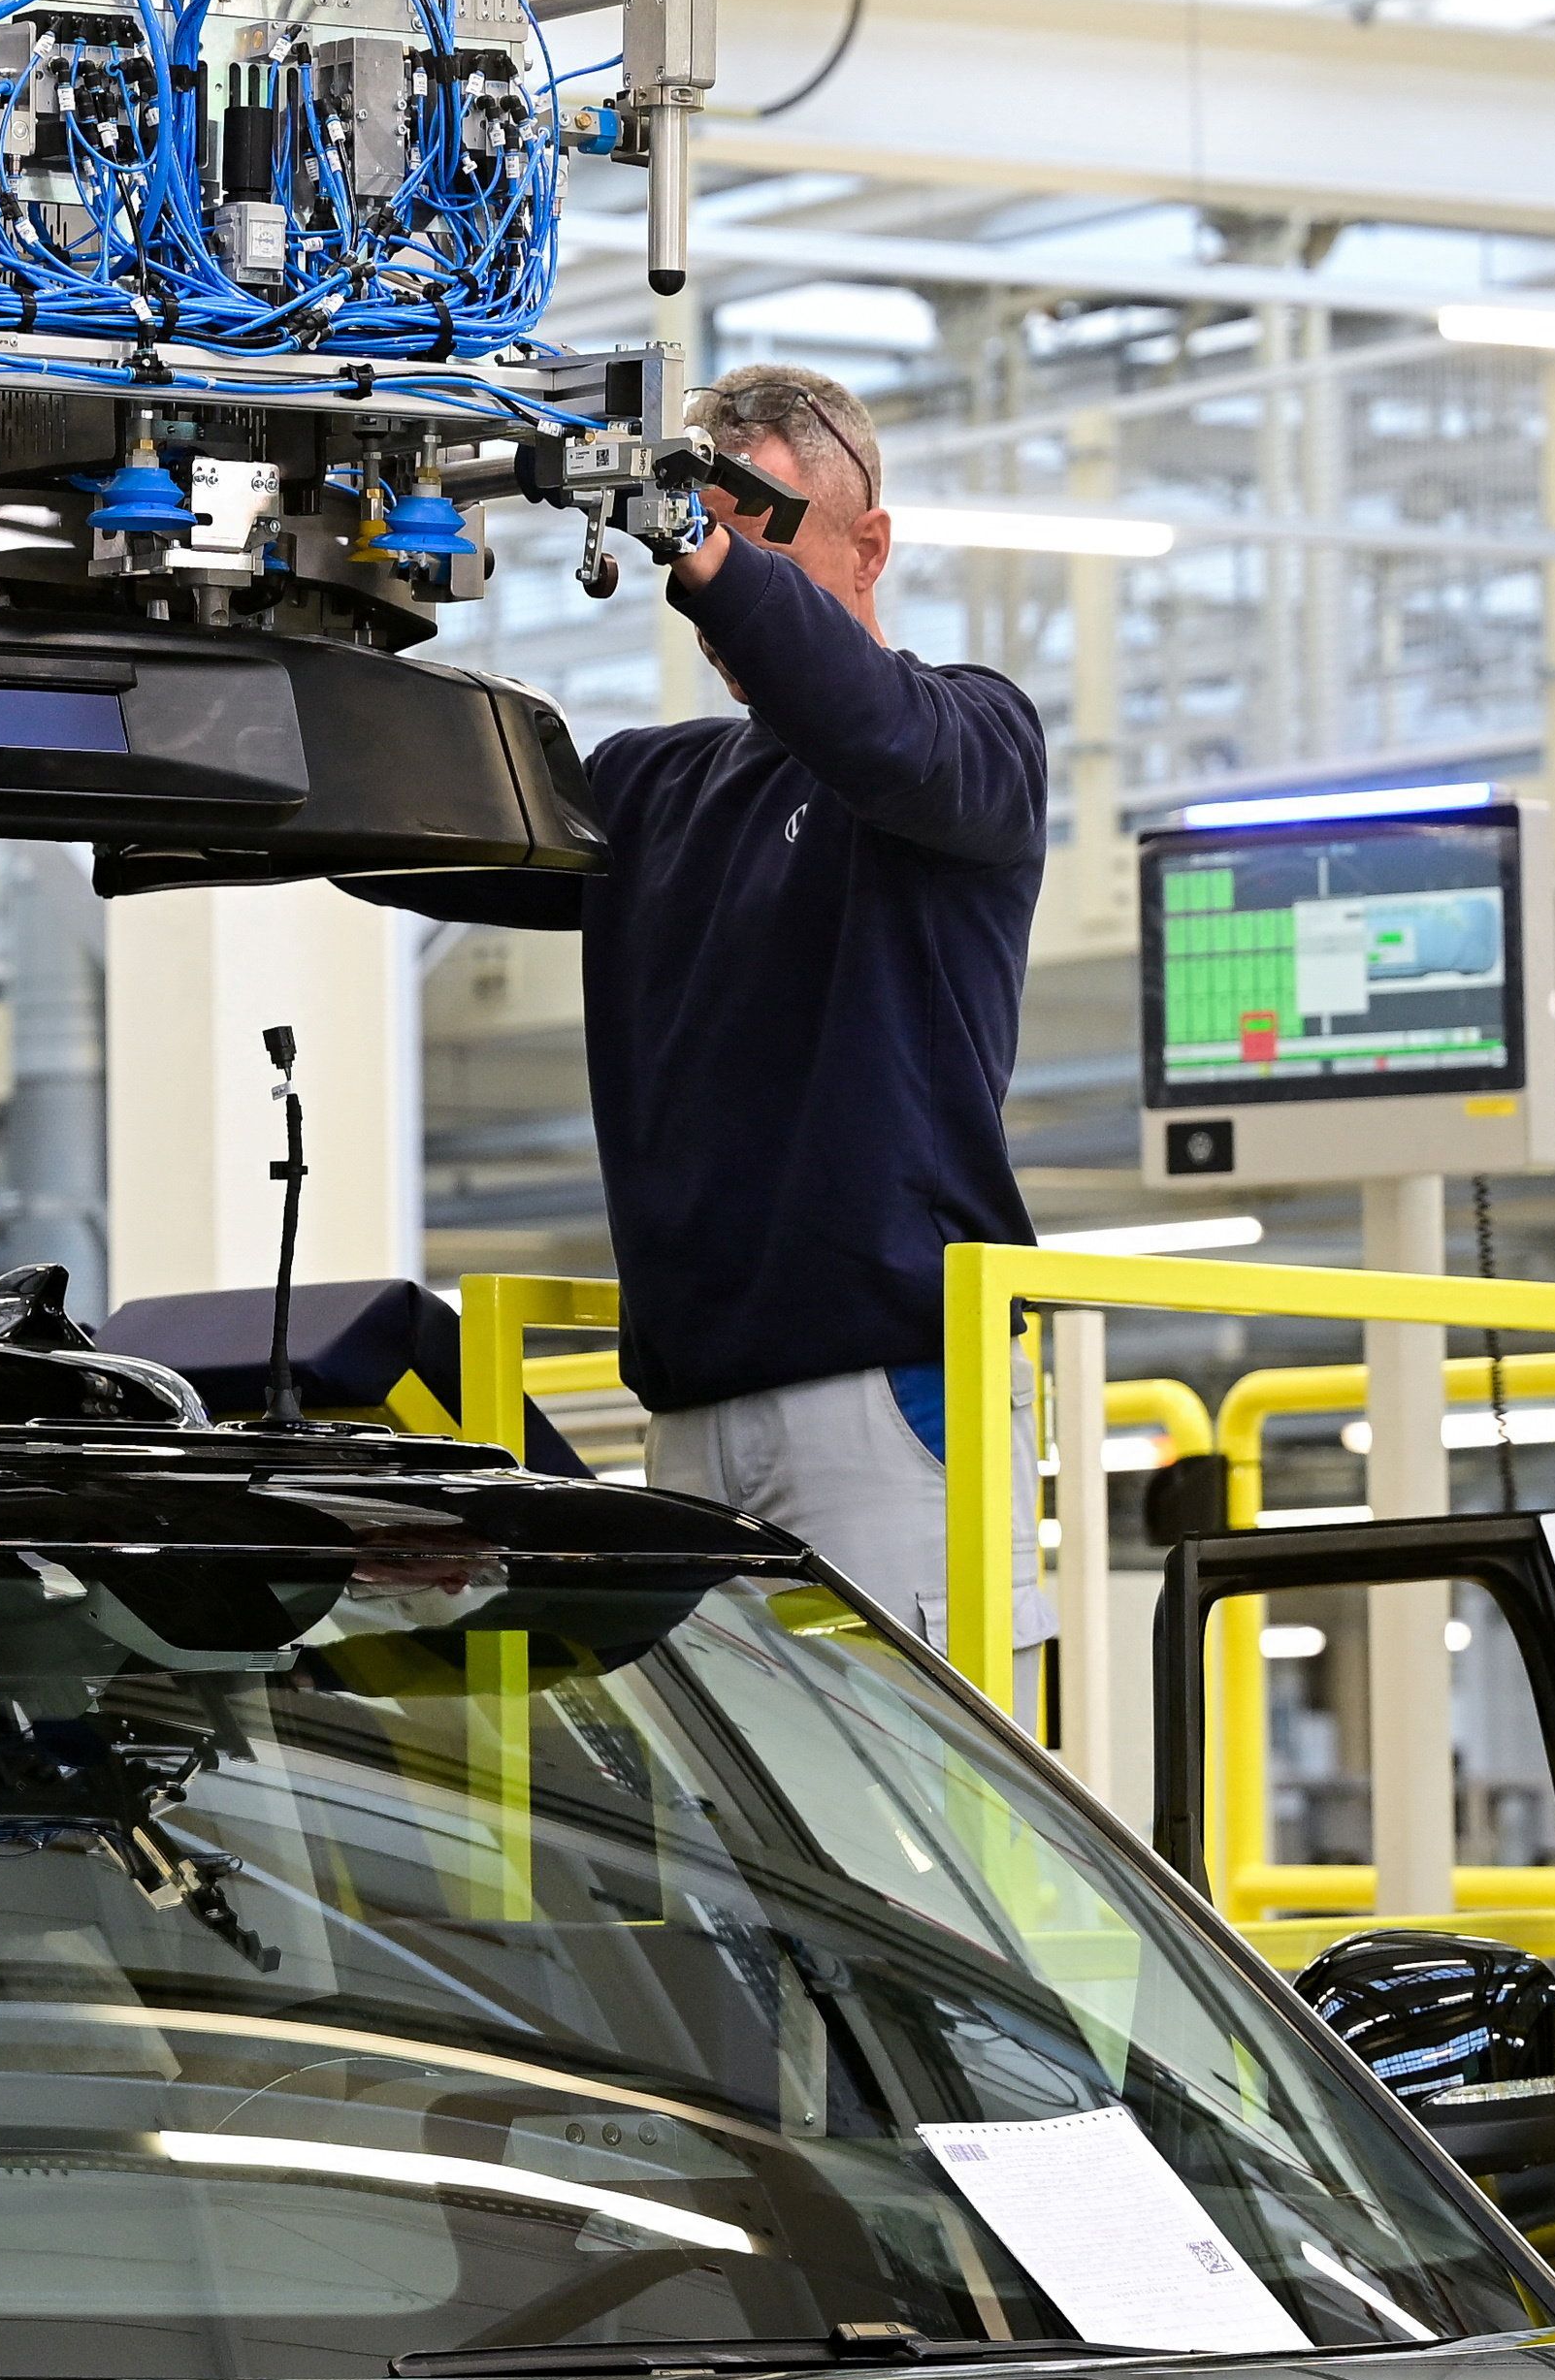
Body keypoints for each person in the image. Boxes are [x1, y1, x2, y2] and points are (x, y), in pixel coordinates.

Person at [350, 362, 1050, 1648]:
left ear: (871, 543)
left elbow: (860, 717)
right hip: (689, 1416)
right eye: (713, 532)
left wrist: (692, 535)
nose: (727, 582)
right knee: (734, 1841)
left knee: (912, 1831)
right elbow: (399, 839)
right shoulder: (656, 789)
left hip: (888, 1400)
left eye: (762, 530)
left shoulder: (972, 740)